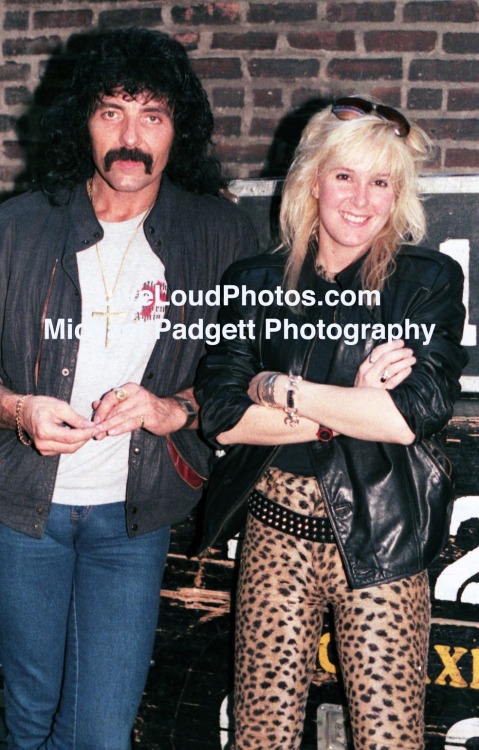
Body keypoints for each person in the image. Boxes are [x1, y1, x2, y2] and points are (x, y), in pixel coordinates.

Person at [0, 27, 257, 750]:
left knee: (102, 733)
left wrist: (173, 408)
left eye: (153, 115)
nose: (130, 136)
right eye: (111, 111)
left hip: (129, 520)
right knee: (28, 717)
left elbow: (245, 376)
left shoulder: (219, 233)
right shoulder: (16, 230)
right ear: (81, 121)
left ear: (180, 130)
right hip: (22, 512)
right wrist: (19, 409)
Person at [195, 97, 468, 750]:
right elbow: (224, 417)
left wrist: (282, 388)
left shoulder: (424, 282)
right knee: (260, 736)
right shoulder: (255, 280)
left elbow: (407, 419)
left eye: (380, 181)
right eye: (344, 175)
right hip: (273, 533)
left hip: (382, 535)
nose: (359, 199)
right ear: (311, 178)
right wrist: (346, 407)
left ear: (397, 193)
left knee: (388, 739)